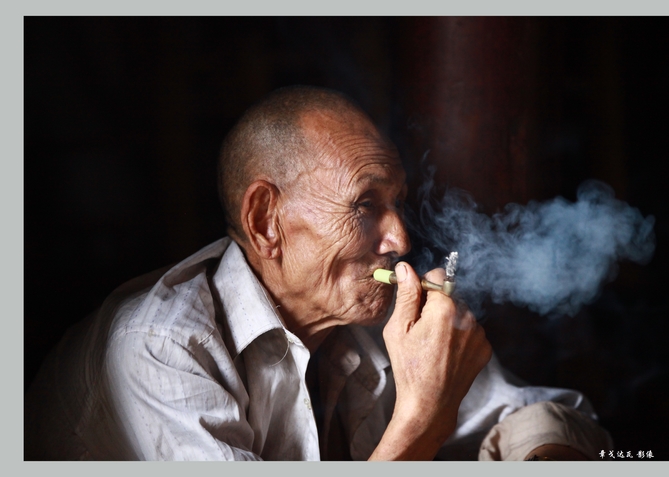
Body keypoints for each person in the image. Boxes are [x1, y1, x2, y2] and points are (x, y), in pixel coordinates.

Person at [24, 86, 612, 461]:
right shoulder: (161, 348)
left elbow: (538, 414)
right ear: (266, 221)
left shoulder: (364, 316)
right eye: (364, 205)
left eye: (397, 203)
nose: (401, 239)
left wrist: (545, 453)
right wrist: (423, 417)